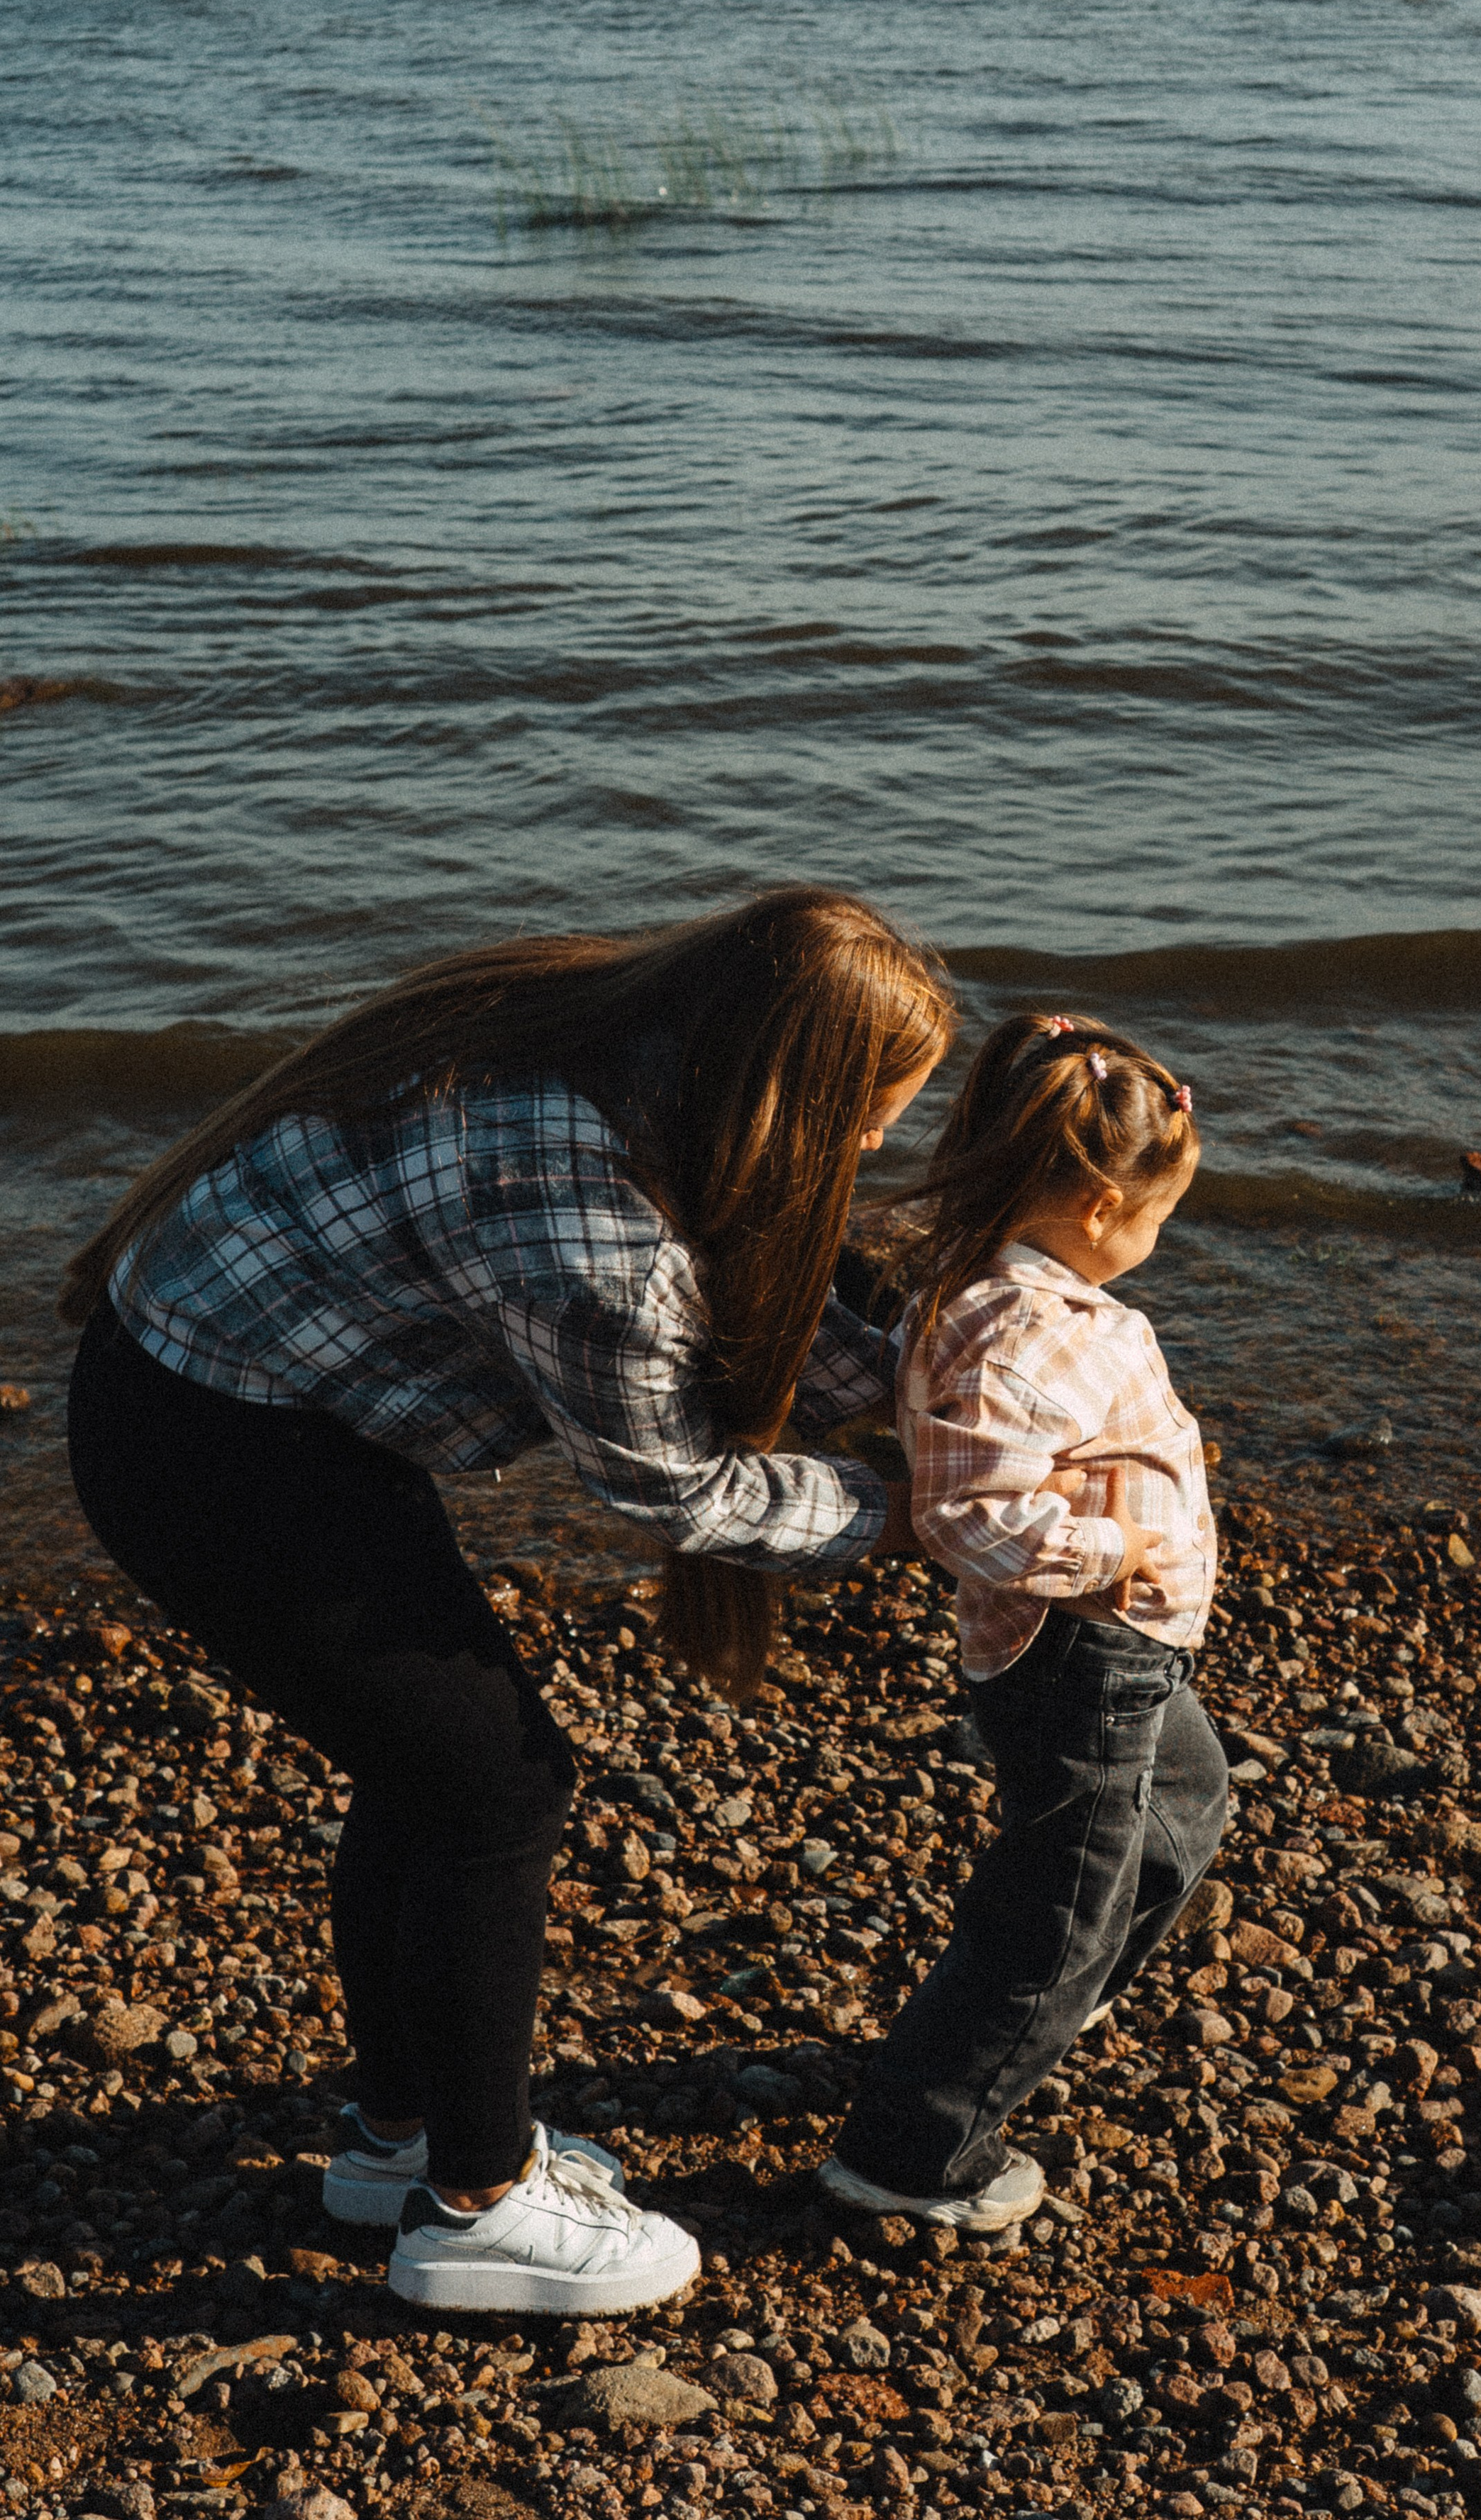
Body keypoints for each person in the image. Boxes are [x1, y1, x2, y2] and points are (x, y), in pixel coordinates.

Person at [61, 887, 955, 2314]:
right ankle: (478, 2209)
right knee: (498, 1792)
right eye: (862, 1124)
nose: (870, 1153)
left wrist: (943, 1400)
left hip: (235, 1384)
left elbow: (759, 1298)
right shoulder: (592, 1233)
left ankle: (395, 2141)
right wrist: (909, 1515)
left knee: (424, 1775)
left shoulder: (613, 1035)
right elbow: (674, 1490)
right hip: (217, 1451)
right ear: (782, 1093)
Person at [819, 1010, 1226, 2232]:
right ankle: (914, 2146)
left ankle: (1037, 2007)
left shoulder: (1006, 1291)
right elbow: (964, 1517)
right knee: (1060, 1902)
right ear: (1100, 1206)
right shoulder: (1020, 1332)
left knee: (1188, 1804)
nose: (1156, 1240)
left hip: (1128, 1650)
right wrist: (1118, 1549)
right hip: (1082, 1651)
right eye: (1159, 1218)